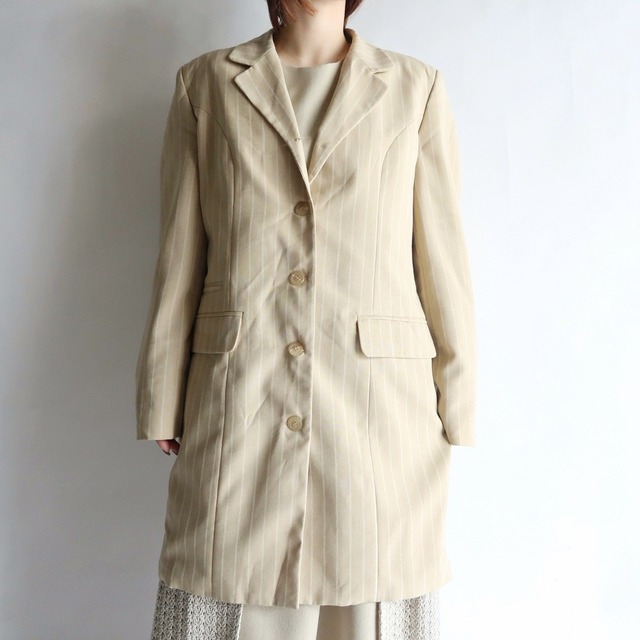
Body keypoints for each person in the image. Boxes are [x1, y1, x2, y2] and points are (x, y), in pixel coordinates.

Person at [135, 1, 477, 638]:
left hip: (379, 403)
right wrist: (162, 395)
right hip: (242, 388)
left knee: (370, 579)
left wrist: (457, 400)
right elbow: (180, 252)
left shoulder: (414, 88)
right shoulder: (205, 84)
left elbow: (442, 259)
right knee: (228, 572)